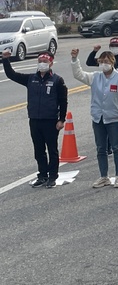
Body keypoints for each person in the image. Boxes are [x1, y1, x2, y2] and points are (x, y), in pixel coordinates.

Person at [2, 50, 67, 188]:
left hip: (50, 121)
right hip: (35, 120)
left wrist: (61, 119)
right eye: (40, 62)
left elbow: (63, 101)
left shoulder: (57, 80)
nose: (42, 64)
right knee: (38, 150)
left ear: (51, 63)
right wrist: (6, 60)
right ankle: (42, 175)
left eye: (45, 62)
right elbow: (12, 75)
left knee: (52, 149)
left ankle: (52, 176)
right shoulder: (31, 78)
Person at [71, 48, 118, 188]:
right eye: (101, 61)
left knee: (117, 147)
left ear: (112, 62)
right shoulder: (95, 77)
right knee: (101, 148)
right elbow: (79, 74)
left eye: (106, 61)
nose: (104, 64)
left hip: (114, 118)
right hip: (98, 117)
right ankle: (104, 176)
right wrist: (75, 60)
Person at [87, 38, 118, 158]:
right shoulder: (105, 60)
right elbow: (89, 62)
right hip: (109, 95)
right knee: (108, 123)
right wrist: (94, 51)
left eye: (117, 45)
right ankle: (108, 147)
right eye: (112, 45)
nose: (114, 47)